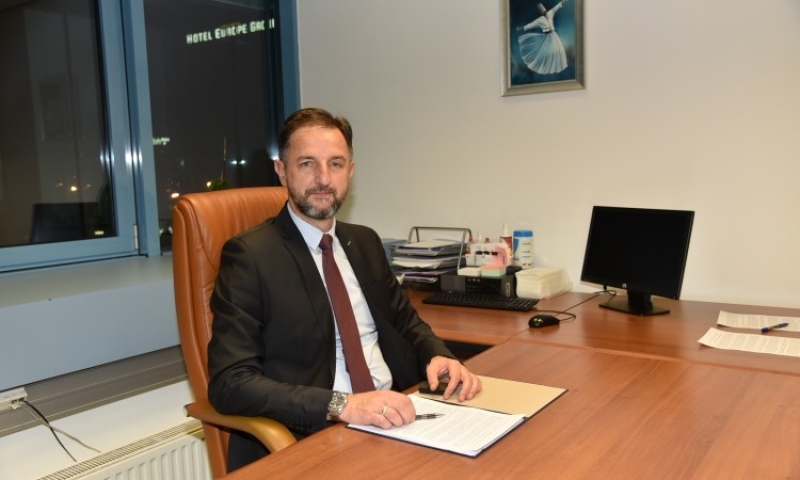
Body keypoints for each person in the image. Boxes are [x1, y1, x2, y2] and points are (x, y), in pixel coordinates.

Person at [207, 107, 483, 471]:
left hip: (397, 420)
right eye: (307, 164)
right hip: (319, 437)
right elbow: (230, 383)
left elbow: (406, 323)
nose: (323, 178)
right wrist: (344, 405)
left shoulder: (364, 242)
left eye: (335, 164)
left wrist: (437, 356)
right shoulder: (250, 256)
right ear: (282, 171)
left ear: (350, 172)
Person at [517, 1, 569, 75]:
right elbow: (530, 25)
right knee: (548, 51)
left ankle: (558, 66)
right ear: (540, 12)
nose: (544, 12)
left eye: (544, 11)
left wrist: (563, 2)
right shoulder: (540, 20)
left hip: (553, 35)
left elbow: (557, 7)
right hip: (547, 37)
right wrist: (522, 28)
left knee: (557, 49)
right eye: (542, 12)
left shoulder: (550, 13)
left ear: (545, 10)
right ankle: (549, 66)